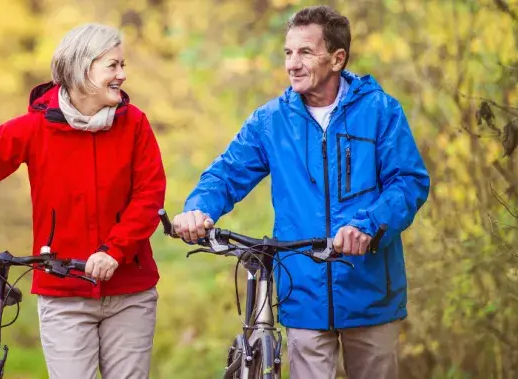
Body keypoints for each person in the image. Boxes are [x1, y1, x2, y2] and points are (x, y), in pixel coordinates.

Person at [0, 23, 165, 379]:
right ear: (83, 69)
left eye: (122, 65)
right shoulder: (34, 128)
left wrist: (114, 251)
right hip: (63, 293)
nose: (122, 75)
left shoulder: (134, 124)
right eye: (112, 66)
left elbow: (150, 195)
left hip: (130, 292)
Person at [171, 5, 430, 379]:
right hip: (302, 292)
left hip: (371, 291)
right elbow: (225, 175)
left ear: (337, 58)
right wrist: (198, 209)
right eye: (288, 53)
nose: (292, 63)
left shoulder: (380, 111)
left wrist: (369, 225)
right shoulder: (270, 121)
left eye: (305, 52)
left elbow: (408, 181)